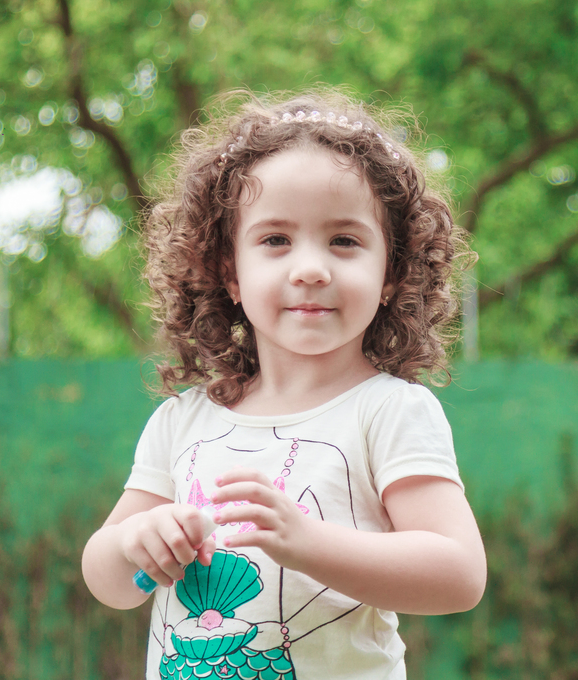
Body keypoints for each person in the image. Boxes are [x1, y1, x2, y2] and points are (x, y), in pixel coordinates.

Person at [81, 89, 485, 680]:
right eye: (275, 240)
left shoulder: (389, 411)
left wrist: (306, 541)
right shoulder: (182, 421)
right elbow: (111, 584)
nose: (311, 268)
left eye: (344, 240)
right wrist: (134, 545)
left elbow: (458, 575)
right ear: (230, 273)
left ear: (392, 273)